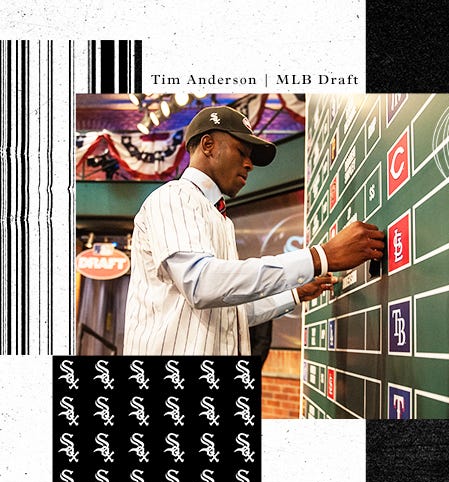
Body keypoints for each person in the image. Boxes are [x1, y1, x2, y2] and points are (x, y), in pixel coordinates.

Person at [124, 106, 386, 355]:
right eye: (242, 151)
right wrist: (320, 257)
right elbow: (201, 284)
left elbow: (228, 315)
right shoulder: (174, 197)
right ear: (208, 145)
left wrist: (295, 293)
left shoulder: (219, 216)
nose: (249, 164)